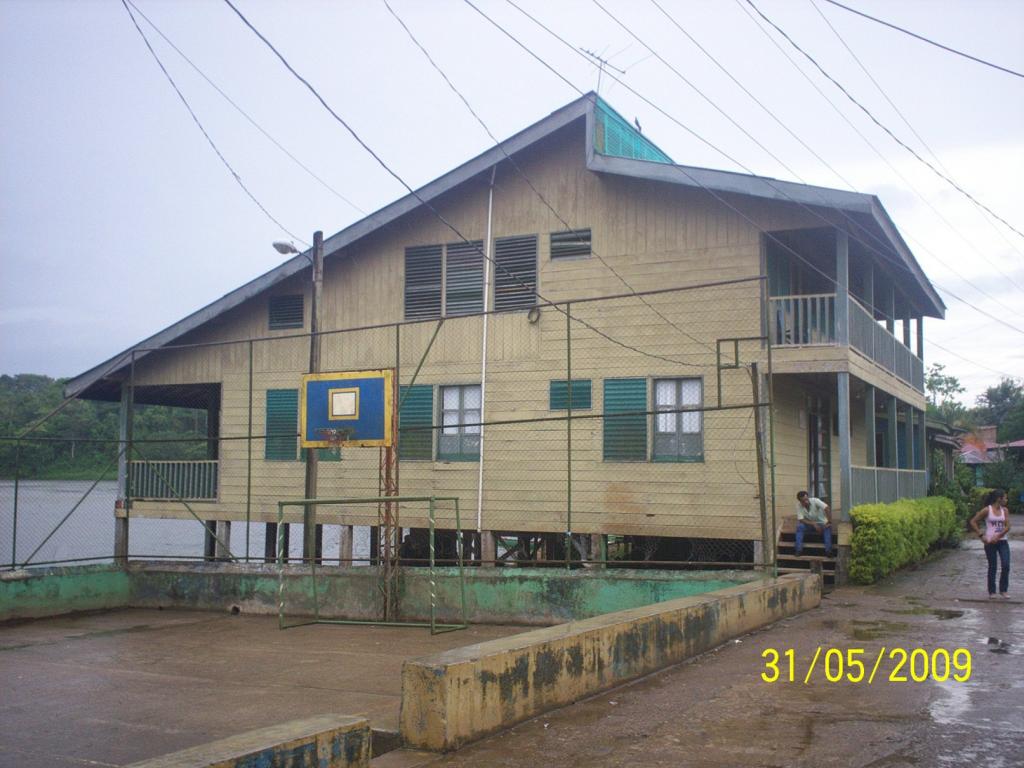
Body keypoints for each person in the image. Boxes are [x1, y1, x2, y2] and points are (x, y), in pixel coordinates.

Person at [970, 489, 1011, 599]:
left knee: (1006, 565)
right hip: (989, 542)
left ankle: (1003, 590)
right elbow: (973, 521)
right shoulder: (987, 510)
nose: (1006, 500)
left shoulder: (1005, 510)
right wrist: (981, 535)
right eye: (1005, 498)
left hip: (1002, 541)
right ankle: (992, 591)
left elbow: (1008, 526)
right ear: (999, 499)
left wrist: (998, 536)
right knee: (993, 566)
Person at [795, 491, 832, 556]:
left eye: (806, 499)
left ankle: (828, 551)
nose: (806, 502)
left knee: (827, 528)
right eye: (803, 501)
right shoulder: (799, 506)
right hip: (810, 525)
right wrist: (813, 524)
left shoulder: (815, 500)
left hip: (822, 523)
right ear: (800, 501)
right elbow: (801, 519)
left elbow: (826, 508)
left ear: (808, 497)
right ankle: (798, 550)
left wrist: (829, 521)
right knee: (800, 527)